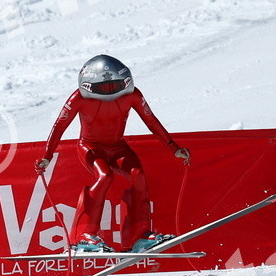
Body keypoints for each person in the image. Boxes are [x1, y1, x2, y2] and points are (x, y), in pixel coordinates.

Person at [35, 54, 191, 252]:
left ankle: (138, 235)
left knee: (138, 175)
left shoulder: (133, 95)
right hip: (90, 146)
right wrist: (47, 156)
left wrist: (174, 147)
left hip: (118, 146)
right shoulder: (78, 98)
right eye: (104, 88)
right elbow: (59, 126)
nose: (110, 92)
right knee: (104, 176)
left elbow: (151, 121)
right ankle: (82, 236)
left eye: (114, 86)